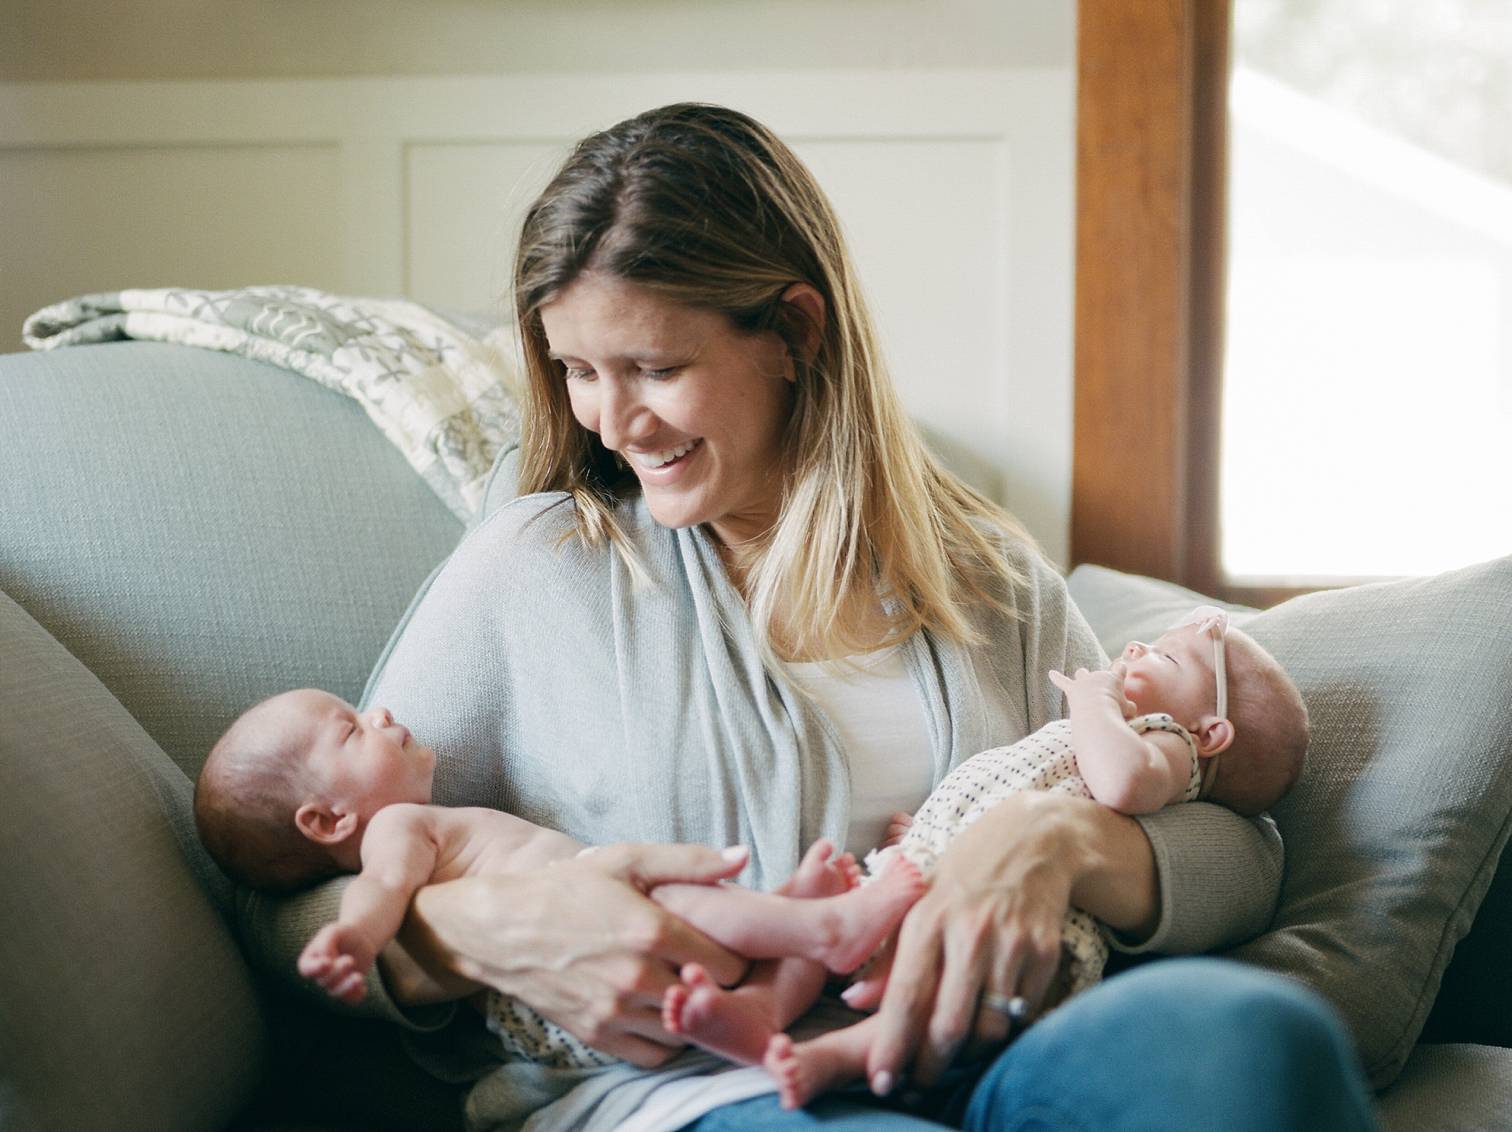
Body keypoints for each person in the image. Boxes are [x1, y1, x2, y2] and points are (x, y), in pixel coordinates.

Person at [239, 102, 1379, 1132]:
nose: (611, 420)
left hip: (992, 1052)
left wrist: (1051, 844)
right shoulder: (535, 570)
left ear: (793, 331)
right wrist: (497, 932)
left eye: (651, 366)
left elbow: (1234, 845)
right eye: (578, 370)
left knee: (1258, 1046)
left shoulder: (990, 583)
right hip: (693, 1092)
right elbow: (281, 897)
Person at [734, 605, 1309, 1108]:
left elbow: (1122, 784)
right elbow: (1001, 793)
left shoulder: (1164, 741)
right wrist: (931, 831)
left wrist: (1093, 705)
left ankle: (834, 1059)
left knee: (927, 995)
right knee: (818, 927)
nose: (1136, 649)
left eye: (1165, 658)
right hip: (922, 875)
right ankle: (757, 1014)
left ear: (1209, 734)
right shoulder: (1102, 731)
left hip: (1012, 943)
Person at [196, 687, 922, 1067]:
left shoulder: (417, 823)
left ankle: (760, 1014)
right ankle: (825, 927)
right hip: (572, 980)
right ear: (326, 823)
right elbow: (379, 892)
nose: (381, 709)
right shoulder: (396, 830)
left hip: (603, 1003)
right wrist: (355, 938)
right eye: (352, 727)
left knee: (699, 925)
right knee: (667, 896)